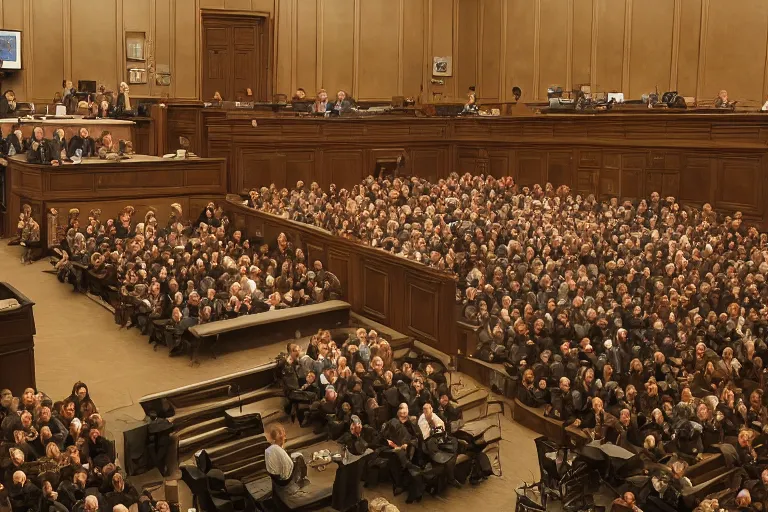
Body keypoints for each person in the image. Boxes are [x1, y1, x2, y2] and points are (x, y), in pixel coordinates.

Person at [264, 423, 309, 490]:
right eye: (283, 435)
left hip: (275, 478)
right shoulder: (276, 449)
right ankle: (300, 481)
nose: (285, 437)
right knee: (299, 457)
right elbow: (288, 466)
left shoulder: (268, 450)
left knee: (297, 455)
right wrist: (286, 477)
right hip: (283, 481)